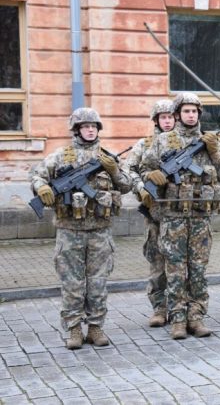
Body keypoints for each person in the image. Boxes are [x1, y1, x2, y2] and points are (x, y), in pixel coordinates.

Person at [30, 107, 131, 349]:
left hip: (99, 230)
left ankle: (95, 327)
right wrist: (40, 188)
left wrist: (114, 170)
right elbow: (37, 176)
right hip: (69, 230)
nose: (90, 130)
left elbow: (127, 185)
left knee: (98, 281)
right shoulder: (60, 157)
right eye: (85, 126)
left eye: (94, 126)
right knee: (72, 283)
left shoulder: (107, 158)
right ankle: (74, 329)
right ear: (76, 129)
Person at [140, 92, 220, 339]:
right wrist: (151, 176)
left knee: (198, 269)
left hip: (201, 218)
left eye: (194, 111)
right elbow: (144, 168)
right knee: (176, 270)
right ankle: (178, 319)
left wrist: (215, 153)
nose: (191, 115)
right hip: (173, 217)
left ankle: (197, 317)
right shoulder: (164, 141)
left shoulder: (209, 142)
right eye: (186, 111)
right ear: (178, 114)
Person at [123, 99, 176, 328]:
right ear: (156, 120)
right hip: (155, 214)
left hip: (178, 216)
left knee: (179, 265)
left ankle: (179, 309)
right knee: (157, 263)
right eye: (163, 117)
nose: (167, 121)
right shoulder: (145, 145)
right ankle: (159, 308)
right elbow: (128, 172)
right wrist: (141, 188)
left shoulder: (183, 144)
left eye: (170, 117)